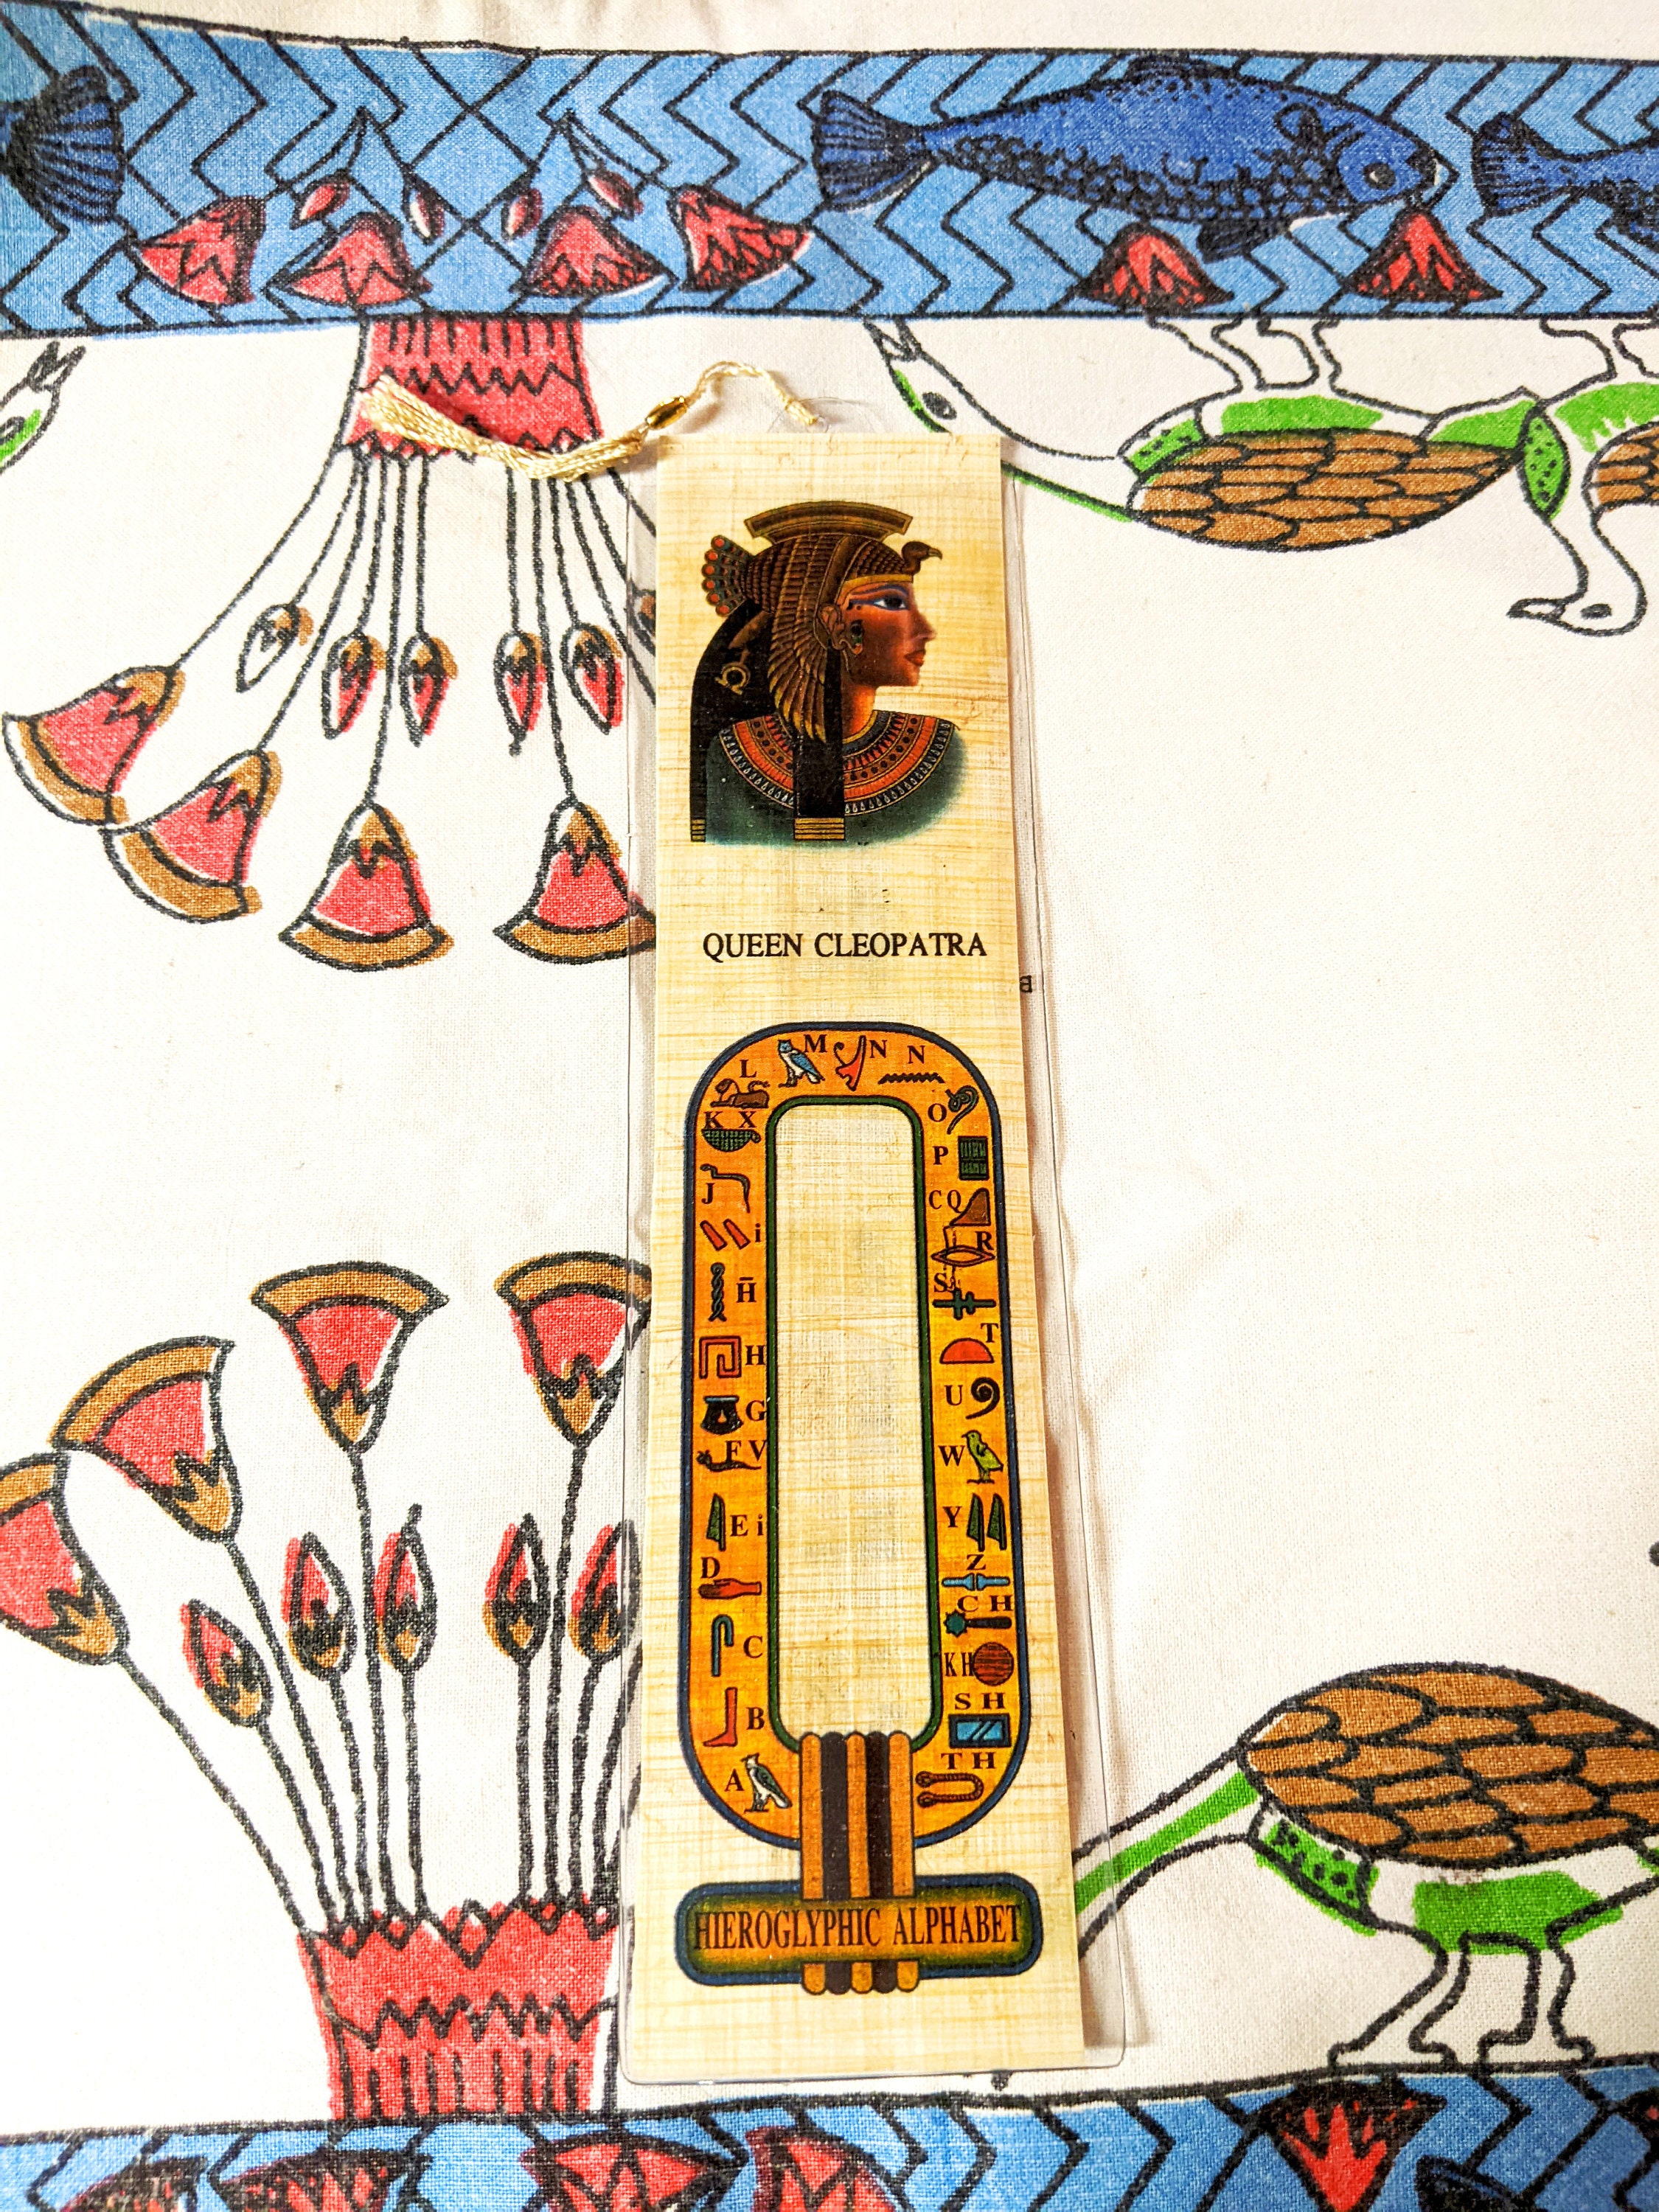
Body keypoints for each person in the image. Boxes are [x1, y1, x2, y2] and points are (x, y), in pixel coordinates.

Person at [690, 499, 962, 844]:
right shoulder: (732, 754)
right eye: (892, 602)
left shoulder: (946, 750)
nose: (925, 630)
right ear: (833, 623)